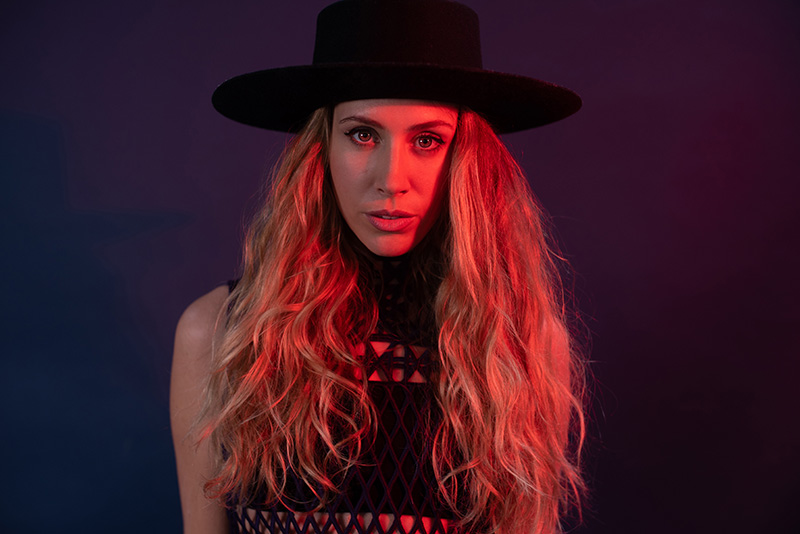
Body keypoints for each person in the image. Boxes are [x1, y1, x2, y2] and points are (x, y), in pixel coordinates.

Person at [170, 1, 586, 533]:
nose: (391, 179)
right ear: (320, 149)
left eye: (427, 140)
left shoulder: (520, 344)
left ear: (467, 159)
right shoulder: (218, 333)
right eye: (363, 135)